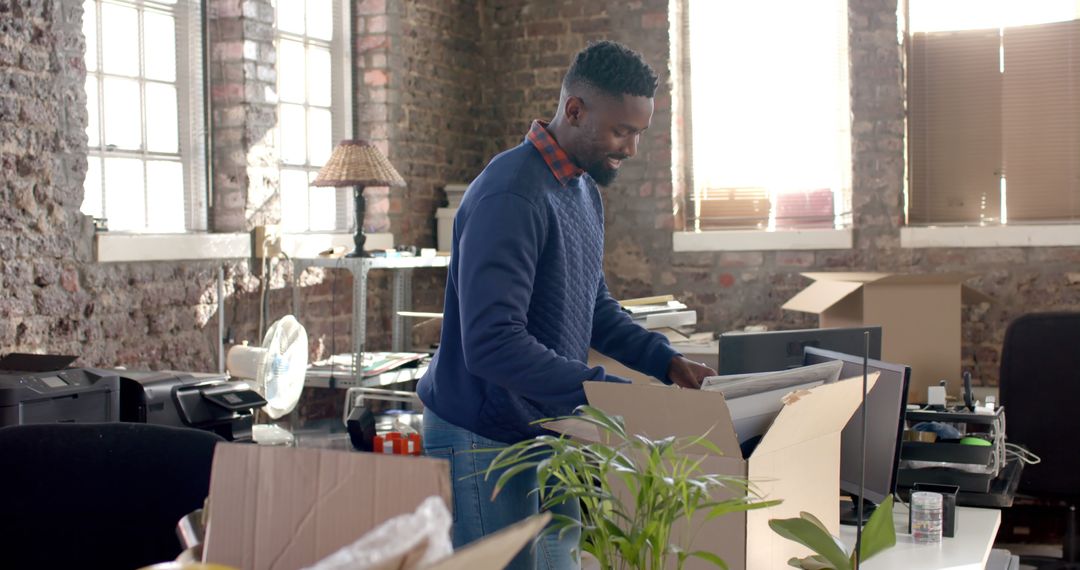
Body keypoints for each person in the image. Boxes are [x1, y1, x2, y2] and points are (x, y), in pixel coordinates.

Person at [417, 40, 716, 569]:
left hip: (552, 426)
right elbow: (492, 343)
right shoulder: (511, 195)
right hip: (483, 433)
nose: (630, 148)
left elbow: (592, 303)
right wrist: (610, 395)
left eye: (638, 133)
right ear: (574, 110)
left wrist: (663, 361)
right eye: (621, 131)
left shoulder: (581, 190)